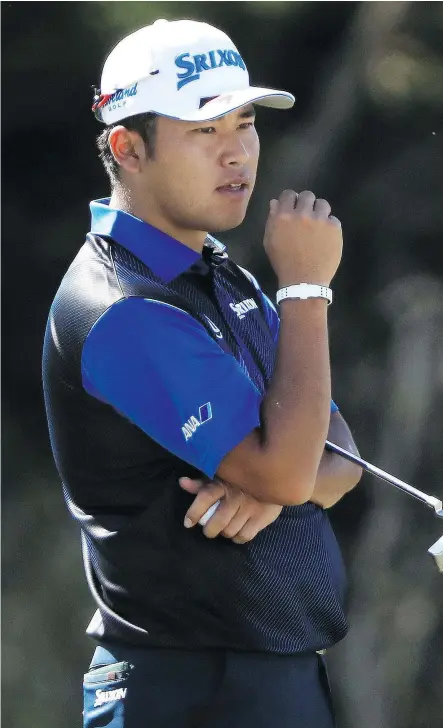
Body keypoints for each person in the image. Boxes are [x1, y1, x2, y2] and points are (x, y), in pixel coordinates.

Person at [43, 17, 362, 728]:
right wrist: (306, 289)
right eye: (203, 131)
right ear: (128, 148)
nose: (237, 154)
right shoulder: (121, 305)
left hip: (267, 677)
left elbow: (339, 457)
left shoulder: (219, 275)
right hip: (182, 688)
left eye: (243, 123)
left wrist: (276, 487)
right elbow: (294, 468)